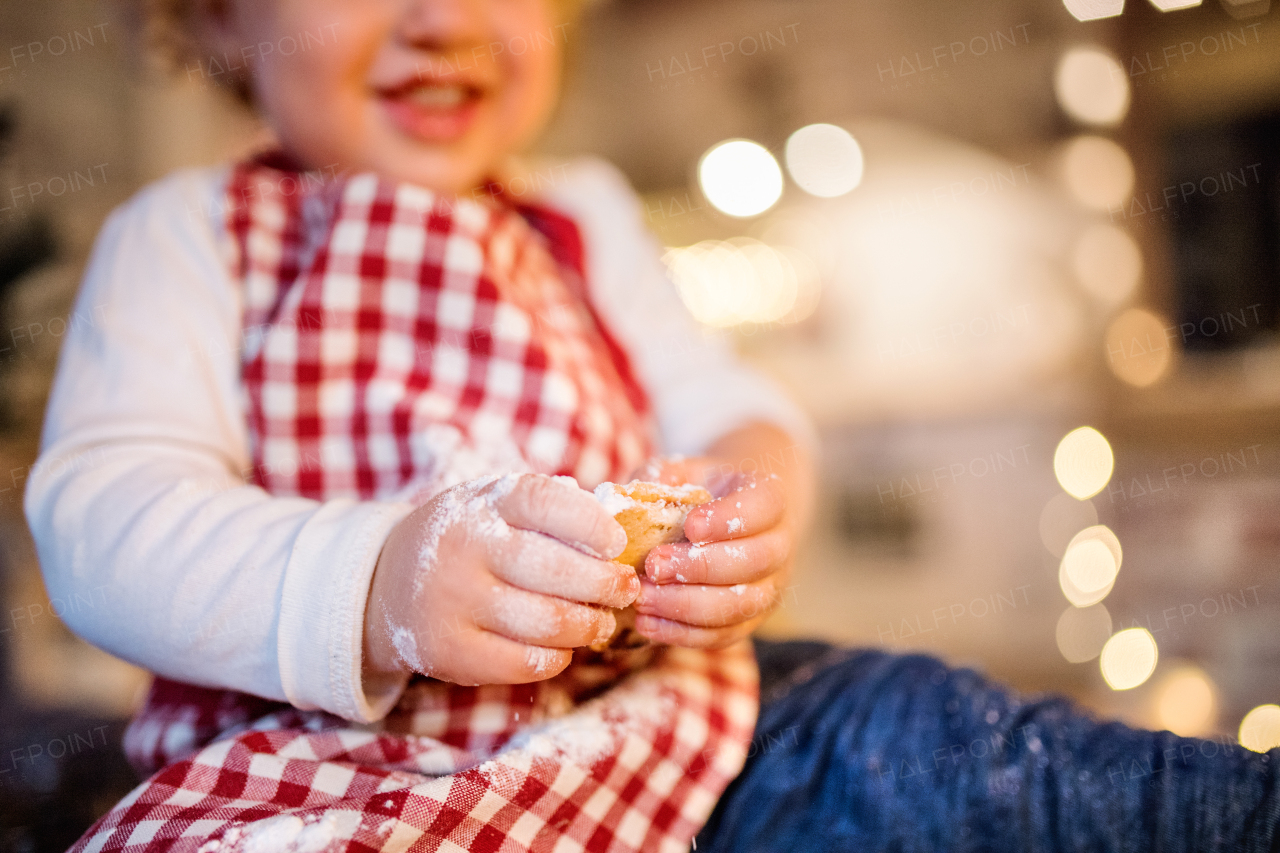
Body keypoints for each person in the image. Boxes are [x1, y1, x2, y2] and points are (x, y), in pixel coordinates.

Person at [23, 1, 1278, 850]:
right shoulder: (189, 235)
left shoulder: (581, 214)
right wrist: (378, 582)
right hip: (333, 769)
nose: (442, 17)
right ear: (217, 17)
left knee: (962, 752)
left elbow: (726, 403)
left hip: (681, 727)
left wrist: (743, 498)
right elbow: (103, 520)